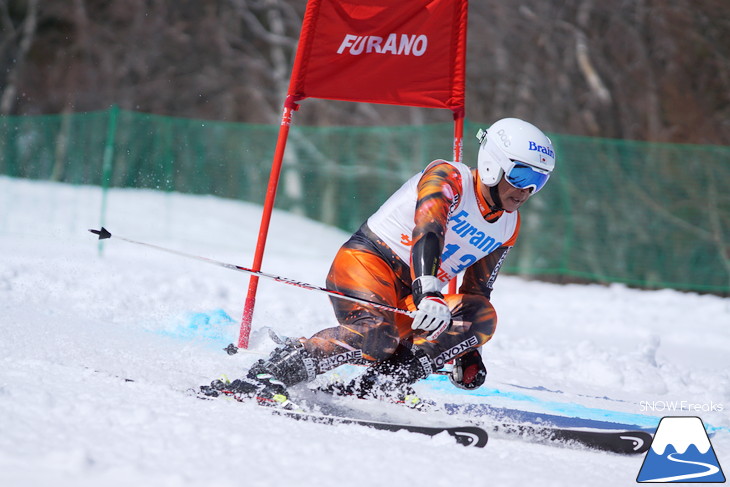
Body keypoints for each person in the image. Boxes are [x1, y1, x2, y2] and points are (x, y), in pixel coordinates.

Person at [207, 117, 556, 408]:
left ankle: (382, 386)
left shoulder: (509, 225)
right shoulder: (448, 177)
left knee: (481, 315)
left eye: (539, 182)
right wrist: (430, 290)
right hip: (369, 263)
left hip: (415, 297)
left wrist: (468, 351)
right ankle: (268, 373)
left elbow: (478, 290)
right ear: (494, 164)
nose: (526, 191)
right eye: (522, 176)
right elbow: (429, 230)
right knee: (376, 336)